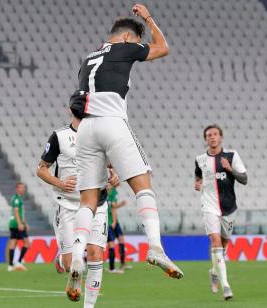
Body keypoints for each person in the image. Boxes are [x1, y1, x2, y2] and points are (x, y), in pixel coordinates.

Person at [68, 3, 183, 298]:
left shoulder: (86, 60)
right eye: (135, 39)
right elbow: (162, 47)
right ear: (126, 38)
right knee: (143, 185)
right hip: (112, 122)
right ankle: (156, 248)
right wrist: (146, 17)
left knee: (88, 201)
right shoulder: (122, 49)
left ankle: (78, 254)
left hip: (85, 131)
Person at [36, 92, 119, 306]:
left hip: (96, 205)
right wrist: (60, 182)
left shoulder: (100, 136)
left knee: (95, 253)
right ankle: (66, 261)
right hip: (68, 205)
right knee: (68, 262)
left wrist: (115, 174)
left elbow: (113, 164)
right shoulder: (59, 136)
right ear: (70, 109)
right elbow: (41, 169)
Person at [194, 125, 248, 301]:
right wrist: (198, 183)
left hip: (228, 208)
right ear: (206, 139)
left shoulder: (231, 156)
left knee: (223, 246)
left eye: (215, 134)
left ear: (221, 137)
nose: (212, 137)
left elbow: (244, 179)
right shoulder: (200, 159)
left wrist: (230, 169)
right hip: (209, 207)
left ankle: (214, 271)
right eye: (209, 135)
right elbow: (198, 176)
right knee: (215, 240)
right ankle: (226, 286)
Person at [106, 184, 130, 273]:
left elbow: (114, 208)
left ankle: (122, 263)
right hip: (107, 223)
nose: (108, 187)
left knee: (121, 240)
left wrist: (115, 221)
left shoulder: (113, 193)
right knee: (111, 244)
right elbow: (113, 208)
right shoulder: (102, 196)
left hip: (113, 222)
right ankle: (111, 268)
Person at [8, 182, 30, 272]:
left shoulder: (16, 198)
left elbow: (19, 213)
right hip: (16, 224)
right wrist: (20, 224)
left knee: (13, 243)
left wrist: (24, 223)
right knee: (26, 242)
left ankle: (11, 266)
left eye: (23, 188)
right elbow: (16, 212)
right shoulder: (17, 199)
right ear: (17, 189)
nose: (23, 189)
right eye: (21, 188)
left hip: (13, 224)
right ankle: (18, 262)